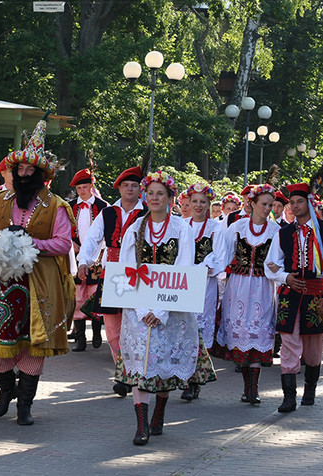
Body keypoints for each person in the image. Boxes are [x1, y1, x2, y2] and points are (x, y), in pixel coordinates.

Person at [0, 119, 76, 426]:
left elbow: (63, 243)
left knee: (33, 343)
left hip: (39, 282)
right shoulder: (0, 200)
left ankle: (25, 405)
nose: (25, 174)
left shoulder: (56, 205)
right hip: (0, 282)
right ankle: (5, 391)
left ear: (42, 175)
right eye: (21, 170)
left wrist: (32, 243)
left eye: (31, 171)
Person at [115, 171, 216, 446]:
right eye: (150, 193)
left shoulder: (181, 228)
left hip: (171, 307)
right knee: (140, 364)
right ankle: (141, 425)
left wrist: (160, 310)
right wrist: (140, 308)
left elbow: (183, 268)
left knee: (163, 363)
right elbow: (127, 271)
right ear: (144, 197)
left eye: (160, 193)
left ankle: (159, 413)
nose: (154, 198)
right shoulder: (135, 229)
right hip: (138, 307)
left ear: (170, 197)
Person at [265, 183, 323, 412]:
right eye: (292, 203)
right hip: (290, 295)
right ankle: (289, 397)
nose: (295, 206)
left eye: (299, 202)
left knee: (313, 346)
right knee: (288, 343)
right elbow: (270, 266)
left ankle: (310, 390)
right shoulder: (284, 233)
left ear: (309, 203)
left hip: (316, 294)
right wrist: (285, 276)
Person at [77, 166, 147, 396]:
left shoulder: (148, 212)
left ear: (140, 189)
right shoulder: (108, 212)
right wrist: (83, 261)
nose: (130, 189)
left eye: (134, 185)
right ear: (118, 188)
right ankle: (123, 372)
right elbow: (91, 239)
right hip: (113, 275)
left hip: (140, 275)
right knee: (113, 330)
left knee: (137, 327)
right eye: (126, 185)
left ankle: (136, 373)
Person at [212, 184, 280, 404]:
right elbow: (224, 254)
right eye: (264, 204)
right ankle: (246, 387)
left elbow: (279, 260)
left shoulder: (275, 231)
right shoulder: (238, 226)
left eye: (270, 205)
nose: (267, 208)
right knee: (240, 334)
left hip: (262, 288)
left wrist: (277, 270)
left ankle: (253, 390)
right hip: (239, 287)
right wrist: (212, 271)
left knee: (258, 333)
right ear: (252, 204)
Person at [180, 183, 223, 401]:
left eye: (202, 202)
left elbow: (220, 258)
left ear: (209, 204)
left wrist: (202, 268)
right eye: (194, 201)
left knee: (199, 331)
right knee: (183, 328)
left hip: (205, 286)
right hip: (184, 284)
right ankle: (185, 377)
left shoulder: (216, 228)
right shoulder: (181, 224)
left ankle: (195, 380)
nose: (198, 205)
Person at [68, 168, 109, 352]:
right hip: (76, 257)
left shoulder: (103, 206)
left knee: (94, 294)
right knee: (78, 296)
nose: (82, 191)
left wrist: (100, 254)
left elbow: (109, 233)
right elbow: (62, 229)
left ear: (91, 186)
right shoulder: (70, 206)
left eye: (85, 187)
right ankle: (80, 337)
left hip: (98, 257)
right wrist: (71, 243)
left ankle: (96, 332)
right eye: (79, 188)